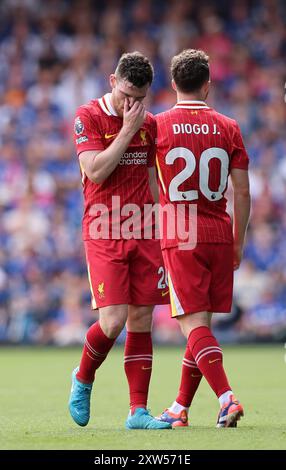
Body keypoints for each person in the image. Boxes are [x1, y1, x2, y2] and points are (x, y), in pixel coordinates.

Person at [69, 51, 171, 430]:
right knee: (112, 321)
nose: (133, 105)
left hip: (144, 228)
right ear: (113, 81)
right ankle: (82, 377)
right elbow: (94, 171)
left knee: (143, 318)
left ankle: (137, 412)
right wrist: (128, 128)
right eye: (128, 95)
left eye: (141, 99)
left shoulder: (151, 123)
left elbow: (150, 177)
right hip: (104, 228)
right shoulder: (88, 117)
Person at [155, 49, 250, 428]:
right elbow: (242, 192)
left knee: (192, 327)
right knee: (201, 325)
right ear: (208, 85)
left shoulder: (158, 125)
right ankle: (180, 407)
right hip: (218, 232)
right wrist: (237, 241)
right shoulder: (229, 126)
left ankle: (227, 399)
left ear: (174, 83)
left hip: (180, 234)